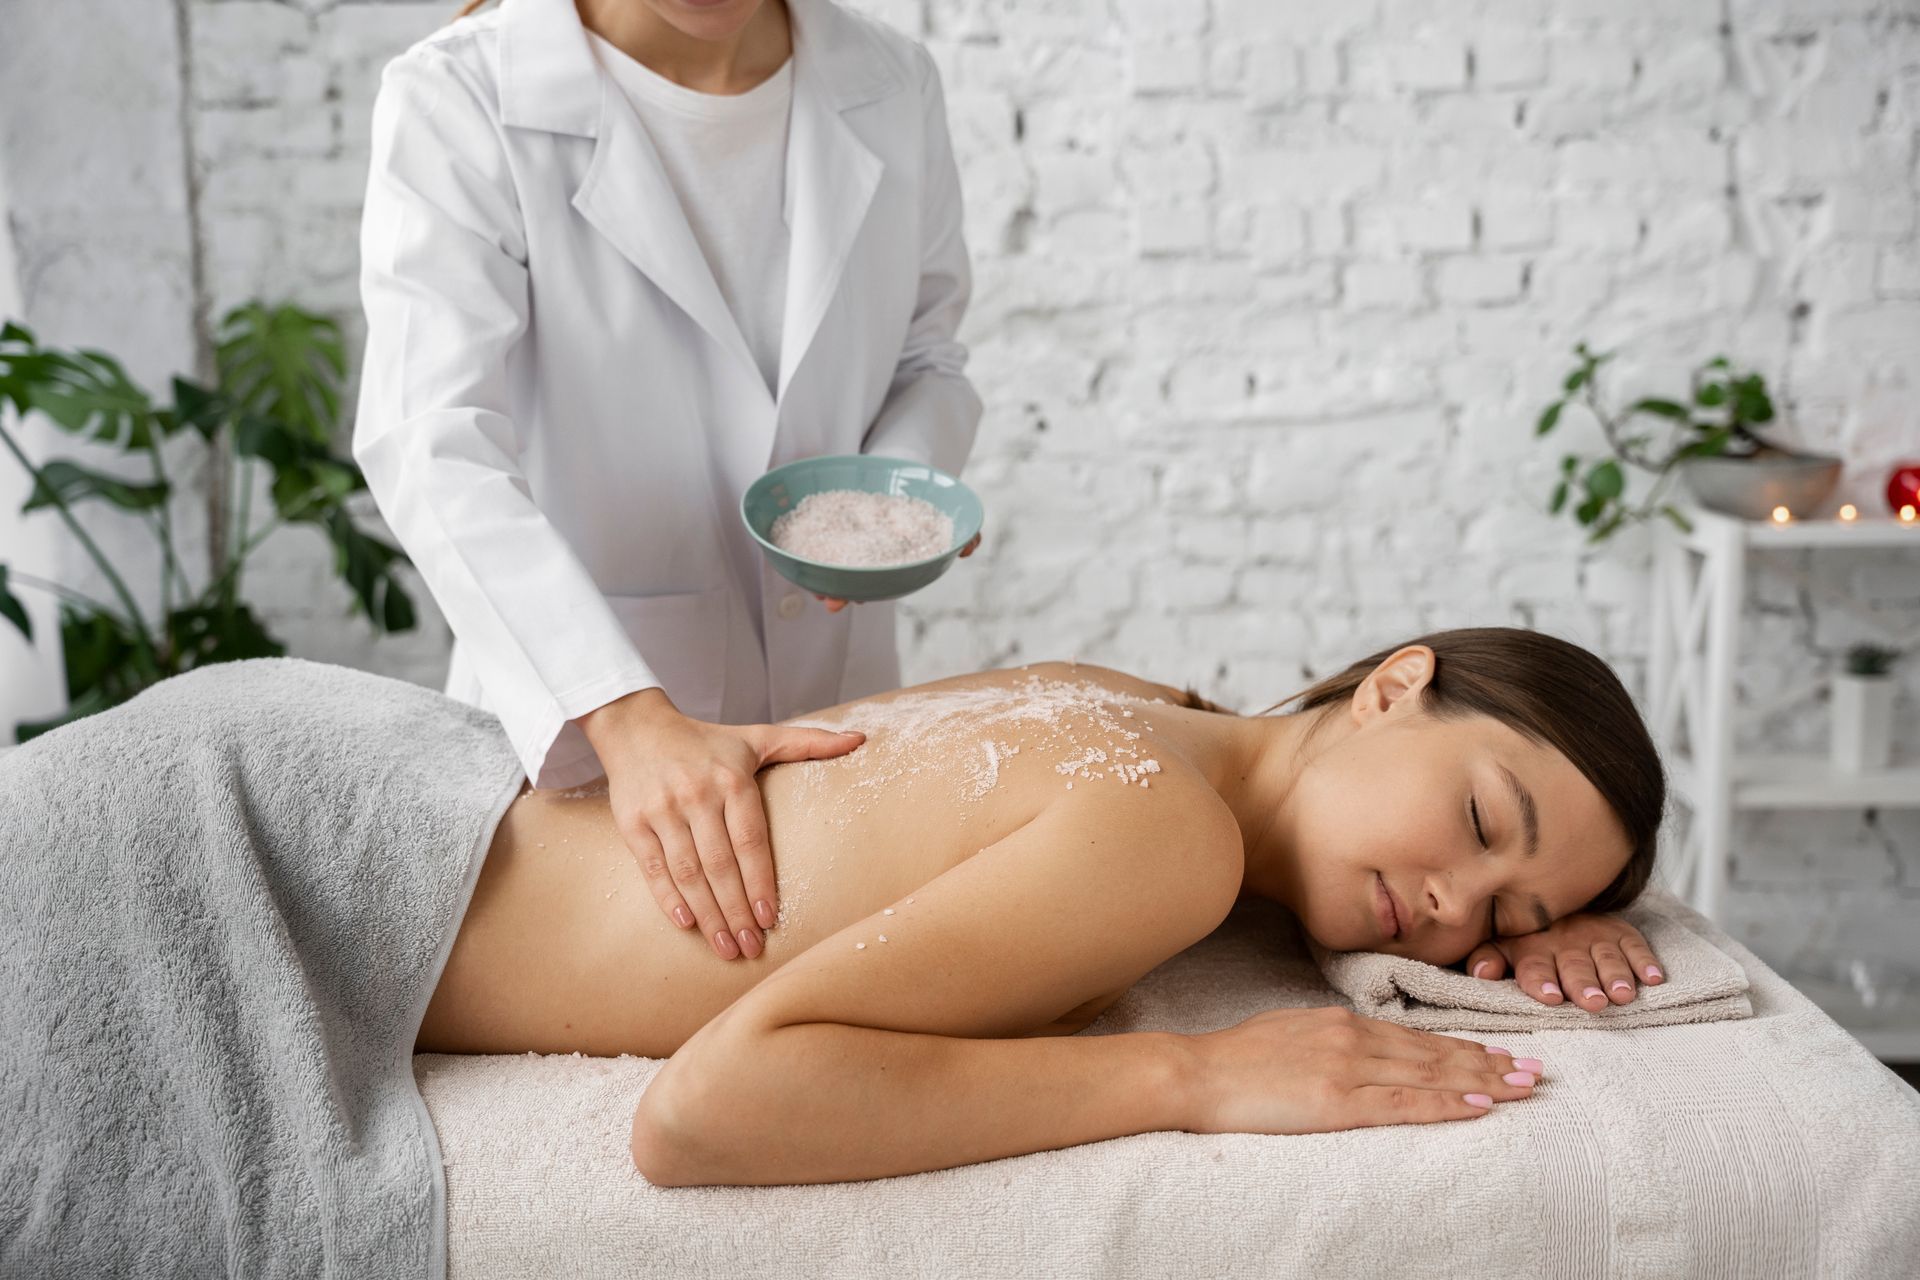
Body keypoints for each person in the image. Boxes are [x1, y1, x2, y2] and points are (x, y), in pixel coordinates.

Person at [413, 626, 1669, 1185]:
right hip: (360, 870)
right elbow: (701, 1114)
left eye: (1502, 919)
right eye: (1482, 822)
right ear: (1393, 687)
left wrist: (1548, 919)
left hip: (416, 773)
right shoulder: (1174, 842)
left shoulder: (1127, 699)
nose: (1454, 905)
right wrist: (1200, 1074)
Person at [352, 0, 983, 965]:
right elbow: (429, 440)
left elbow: (928, 358)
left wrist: (886, 505)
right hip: (590, 754)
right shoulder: (461, 94)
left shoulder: (892, 82)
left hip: (841, 710)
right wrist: (625, 716)